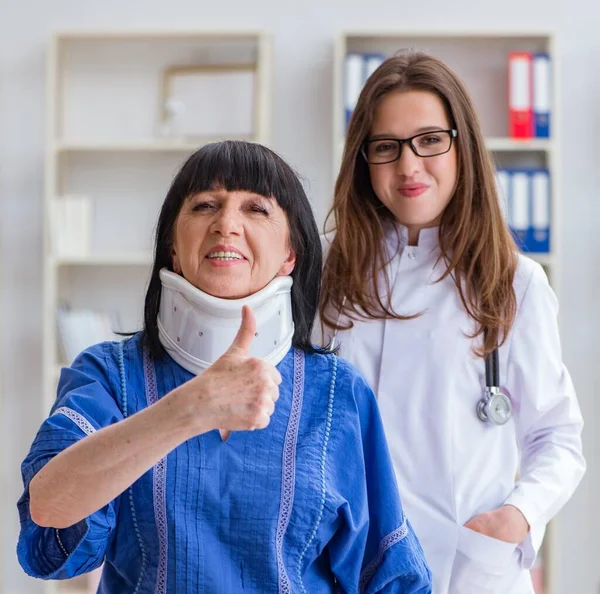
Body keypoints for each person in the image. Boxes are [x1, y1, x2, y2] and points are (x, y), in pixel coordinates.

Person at [17, 140, 432, 593]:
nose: (226, 224)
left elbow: (391, 577)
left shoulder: (337, 394)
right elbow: (49, 509)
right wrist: (190, 409)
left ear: (290, 254)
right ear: (174, 249)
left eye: (256, 208)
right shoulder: (109, 375)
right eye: (205, 205)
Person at [318, 53, 585, 594]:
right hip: (343, 561)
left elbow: (558, 437)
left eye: (429, 140)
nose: (409, 166)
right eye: (386, 147)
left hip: (461, 569)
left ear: (462, 145)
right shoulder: (323, 269)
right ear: (363, 160)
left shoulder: (513, 281)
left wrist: (514, 517)